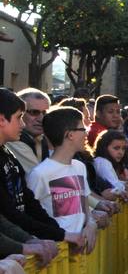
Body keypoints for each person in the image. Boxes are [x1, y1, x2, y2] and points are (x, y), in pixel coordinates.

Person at [0, 89, 81, 256]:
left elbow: (29, 201)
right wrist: (26, 244)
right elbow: (8, 213)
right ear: (2, 119)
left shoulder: (8, 154)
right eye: (19, 117)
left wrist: (59, 233)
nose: (22, 124)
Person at [26, 106, 101, 252]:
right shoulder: (40, 174)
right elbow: (31, 215)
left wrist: (90, 223)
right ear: (70, 135)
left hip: (80, 255)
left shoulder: (80, 167)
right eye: (82, 128)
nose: (86, 133)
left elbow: (84, 204)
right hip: (57, 258)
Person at [6, 88, 51, 173]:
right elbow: (38, 178)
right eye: (34, 112)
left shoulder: (47, 138)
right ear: (19, 113)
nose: (41, 119)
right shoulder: (11, 140)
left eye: (45, 113)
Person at [92, 129, 128, 201]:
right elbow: (115, 185)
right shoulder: (102, 162)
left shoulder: (116, 164)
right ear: (104, 147)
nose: (121, 152)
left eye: (123, 149)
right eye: (116, 148)